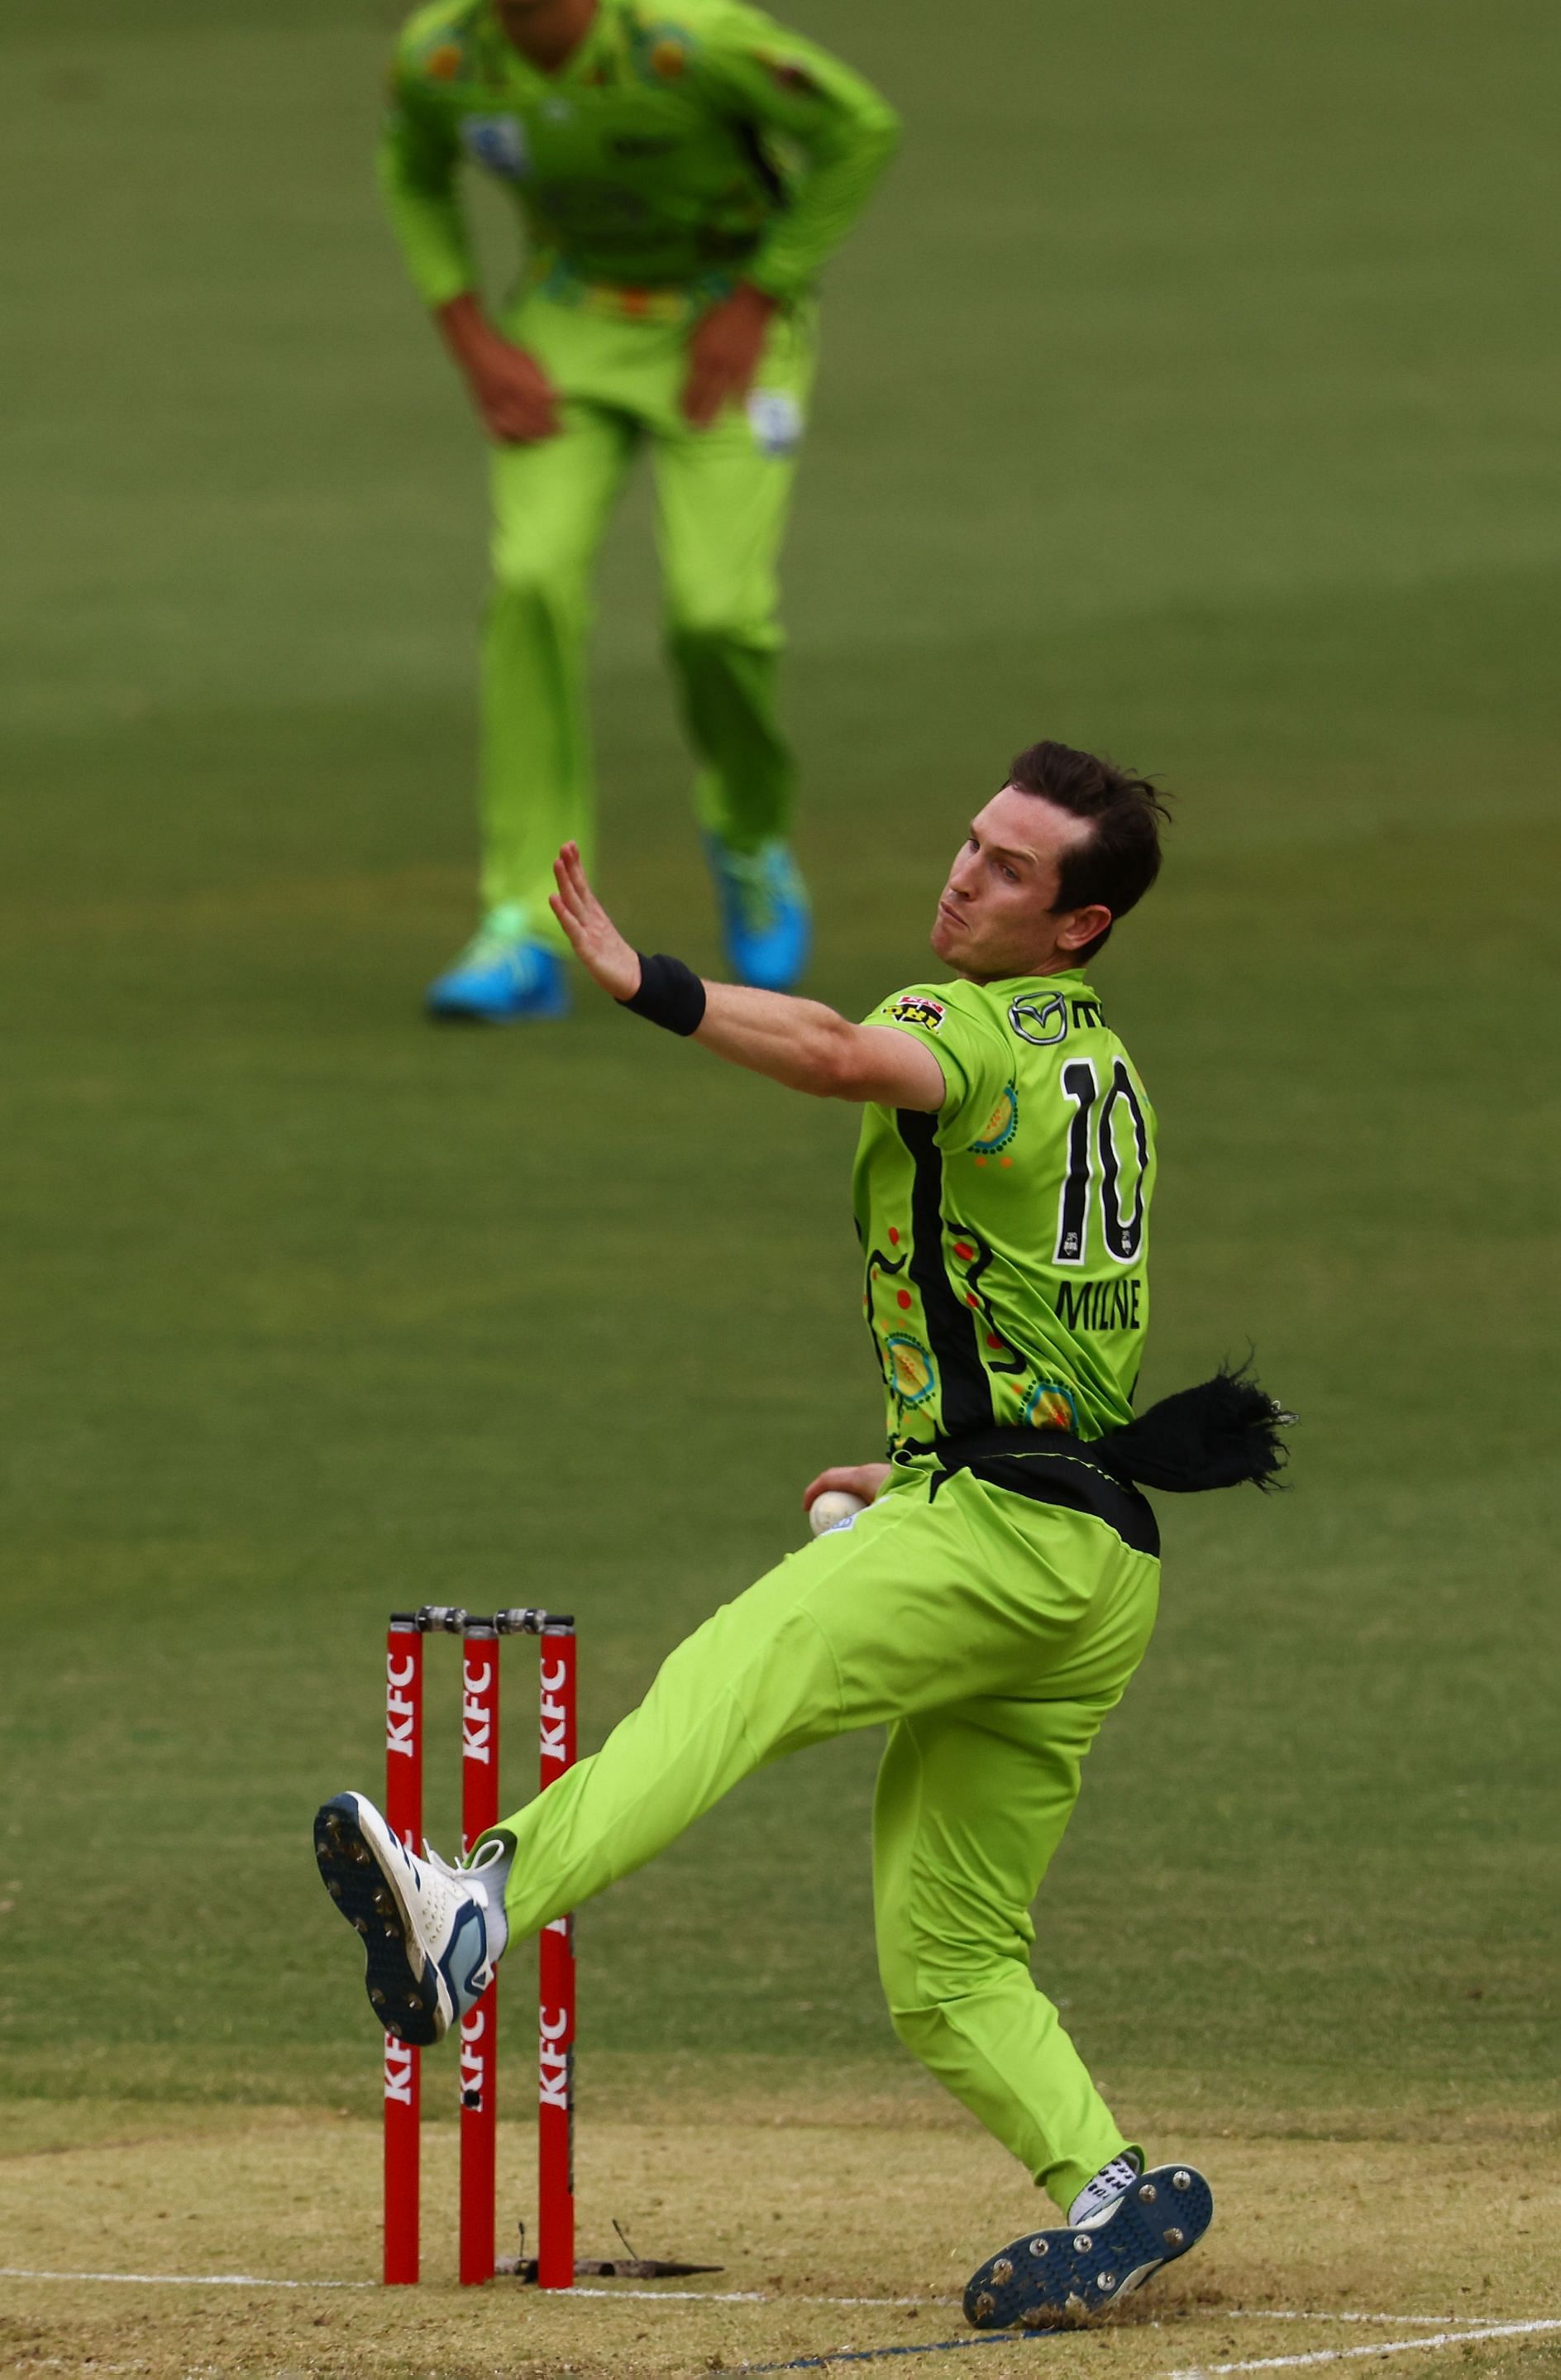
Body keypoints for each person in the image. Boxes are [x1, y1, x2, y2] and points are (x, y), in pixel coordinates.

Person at [314, 740, 1291, 2327]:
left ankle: (474, 1905)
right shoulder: (1105, 1070)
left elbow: (842, 1053)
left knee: (732, 1674)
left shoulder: (957, 1024)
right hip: (1094, 1560)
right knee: (950, 1954)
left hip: (1000, 1536)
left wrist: (651, 984)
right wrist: (920, 1456)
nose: (966, 873)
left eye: (1014, 868)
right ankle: (1113, 2186)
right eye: (972, 841)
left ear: (1080, 925)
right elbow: (1047, 1326)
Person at [380, 0, 900, 1020]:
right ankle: (524, 930)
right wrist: (471, 335)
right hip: (568, 325)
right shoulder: (441, 57)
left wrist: (762, 296)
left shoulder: (694, 42)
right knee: (530, 583)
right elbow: (412, 173)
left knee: (718, 615)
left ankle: (749, 834)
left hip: (727, 330)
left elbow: (860, 130)